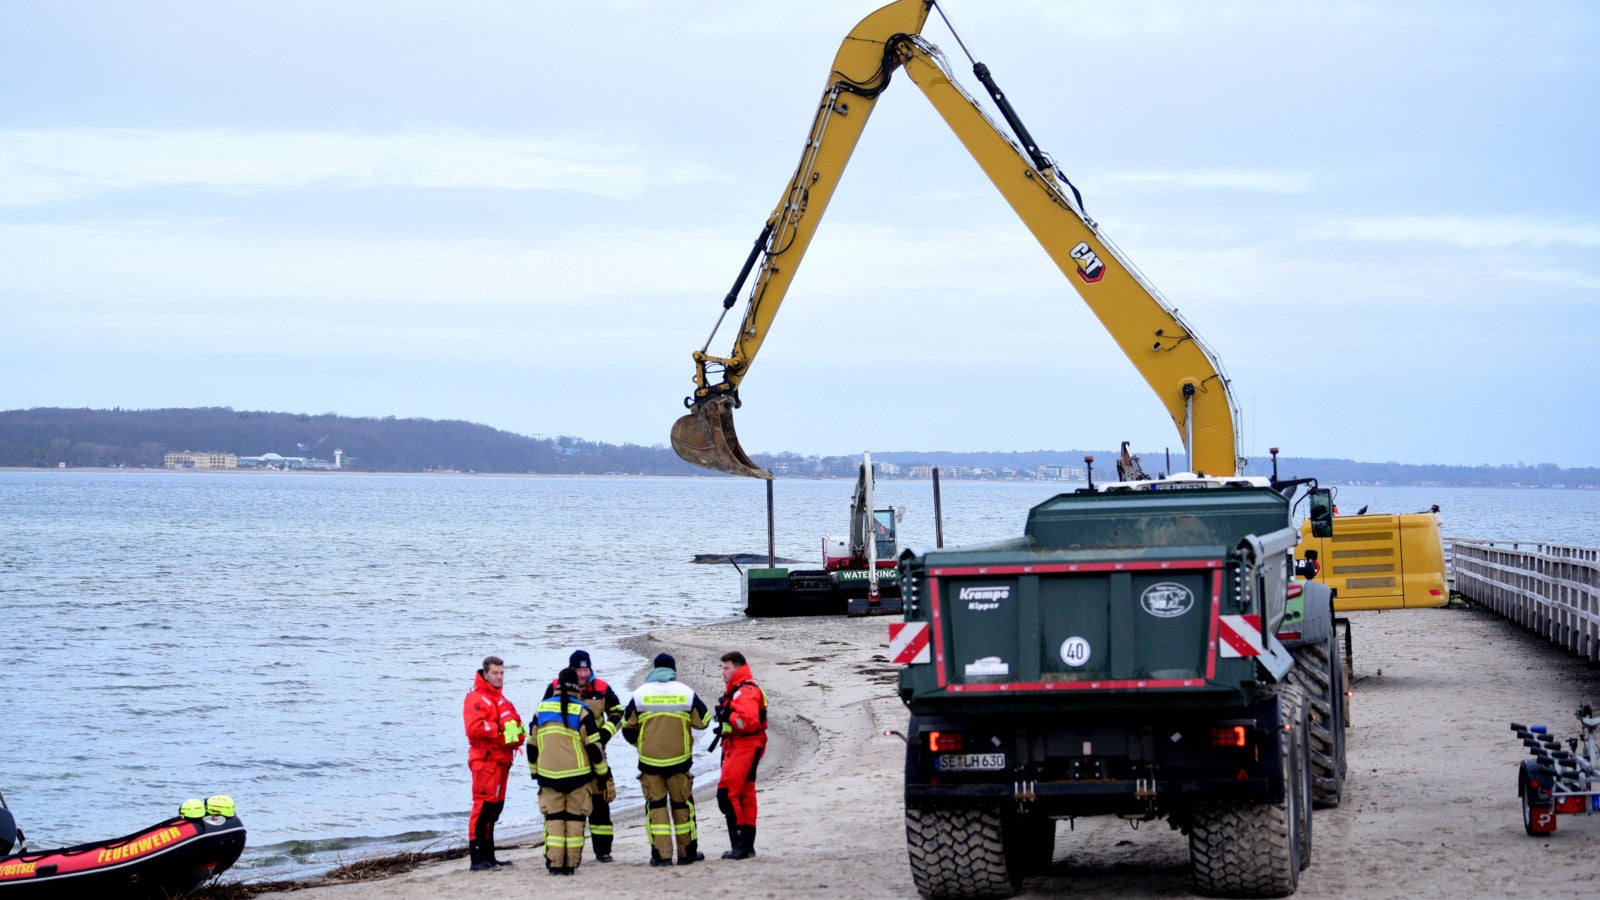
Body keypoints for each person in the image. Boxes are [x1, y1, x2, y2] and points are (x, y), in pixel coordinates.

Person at [621, 652, 710, 867]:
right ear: (673, 671)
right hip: (680, 761)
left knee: (656, 808)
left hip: (650, 762)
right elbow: (704, 721)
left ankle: (661, 857)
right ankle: (687, 854)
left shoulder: (640, 694)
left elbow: (626, 726)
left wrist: (640, 745)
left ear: (654, 669)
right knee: (682, 806)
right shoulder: (686, 693)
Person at [541, 650, 624, 862]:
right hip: (567, 753)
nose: (583, 674)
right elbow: (542, 718)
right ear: (571, 670)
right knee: (566, 806)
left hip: (595, 749)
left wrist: (604, 734)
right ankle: (562, 852)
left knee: (600, 801)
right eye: (579, 670)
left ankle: (603, 851)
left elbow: (617, 712)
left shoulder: (602, 688)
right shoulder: (554, 687)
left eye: (586, 669)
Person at [530, 667, 610, 875]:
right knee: (575, 822)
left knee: (554, 822)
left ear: (557, 685)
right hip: (578, 777)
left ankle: (555, 865)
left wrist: (535, 772)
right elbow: (594, 749)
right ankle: (571, 865)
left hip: (548, 777)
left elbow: (531, 746)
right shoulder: (583, 711)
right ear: (576, 686)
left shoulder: (542, 709)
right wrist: (602, 774)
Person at [462, 655, 525, 871]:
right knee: (483, 807)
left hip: (502, 760)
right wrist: (500, 732)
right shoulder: (476, 698)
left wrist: (511, 735)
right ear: (485, 673)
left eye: (501, 673)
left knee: (494, 810)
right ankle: (477, 859)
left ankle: (490, 857)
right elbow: (475, 728)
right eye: (495, 673)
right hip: (485, 760)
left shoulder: (501, 700)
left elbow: (517, 730)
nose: (499, 677)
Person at [714, 650, 768, 860]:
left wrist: (727, 714)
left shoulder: (744, 692)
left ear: (738, 667)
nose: (723, 672)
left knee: (727, 794)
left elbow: (749, 722)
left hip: (745, 745)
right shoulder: (740, 690)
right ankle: (746, 846)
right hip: (740, 744)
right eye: (722, 668)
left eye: (726, 668)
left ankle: (740, 846)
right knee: (745, 794)